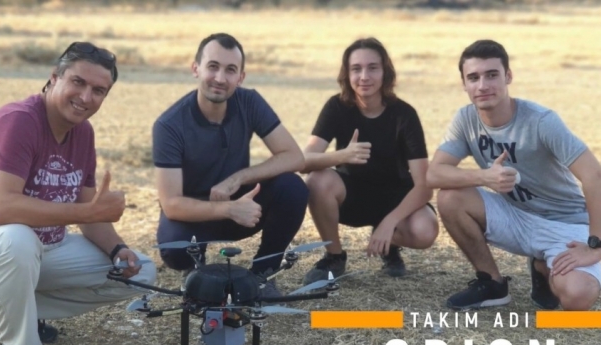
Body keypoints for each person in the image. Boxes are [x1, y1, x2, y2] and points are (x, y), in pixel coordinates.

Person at [0, 42, 157, 345]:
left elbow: (88, 212)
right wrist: (87, 210)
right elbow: (2, 208)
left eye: (98, 90)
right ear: (54, 78)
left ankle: (21, 314)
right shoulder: (19, 121)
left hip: (37, 253)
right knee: (16, 238)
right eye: (78, 82)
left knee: (142, 272)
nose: (86, 97)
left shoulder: (83, 133)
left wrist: (117, 249)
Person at [427, 39, 601, 311]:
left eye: (491, 75)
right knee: (450, 197)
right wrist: (485, 177)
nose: (482, 85)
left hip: (565, 221)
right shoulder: (466, 119)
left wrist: (595, 245)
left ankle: (543, 267)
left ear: (508, 76)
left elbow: (594, 176)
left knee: (577, 296)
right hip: (516, 217)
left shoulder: (541, 120)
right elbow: (434, 174)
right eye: (473, 78)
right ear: (464, 84)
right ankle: (492, 284)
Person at [152, 33, 308, 297]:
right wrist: (228, 209)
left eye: (230, 70)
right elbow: (171, 204)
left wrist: (238, 178)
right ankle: (195, 270)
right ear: (196, 69)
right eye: (212, 66)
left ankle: (263, 273)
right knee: (176, 251)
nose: (220, 78)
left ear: (241, 77)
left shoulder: (249, 102)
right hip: (194, 214)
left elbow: (294, 156)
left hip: (241, 206)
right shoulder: (169, 125)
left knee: (293, 188)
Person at [301, 37, 438, 285]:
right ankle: (334, 257)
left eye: (373, 68)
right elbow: (304, 161)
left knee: (425, 230)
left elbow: (424, 186)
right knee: (316, 180)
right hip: (351, 196)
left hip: (395, 198)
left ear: (385, 72)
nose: (364, 76)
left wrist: (389, 223)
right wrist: (341, 156)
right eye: (356, 69)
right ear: (347, 74)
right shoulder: (336, 107)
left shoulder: (404, 114)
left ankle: (389, 244)